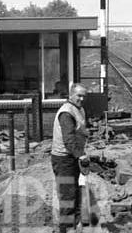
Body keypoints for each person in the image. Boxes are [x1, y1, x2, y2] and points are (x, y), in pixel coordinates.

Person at [51, 83, 90, 233]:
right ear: (71, 95)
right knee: (67, 196)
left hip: (73, 158)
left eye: (83, 96)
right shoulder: (66, 113)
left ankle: (75, 226)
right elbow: (68, 139)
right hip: (63, 160)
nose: (81, 99)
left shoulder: (78, 109)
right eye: (79, 95)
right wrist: (81, 155)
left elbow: (78, 130)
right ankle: (65, 229)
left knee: (76, 193)